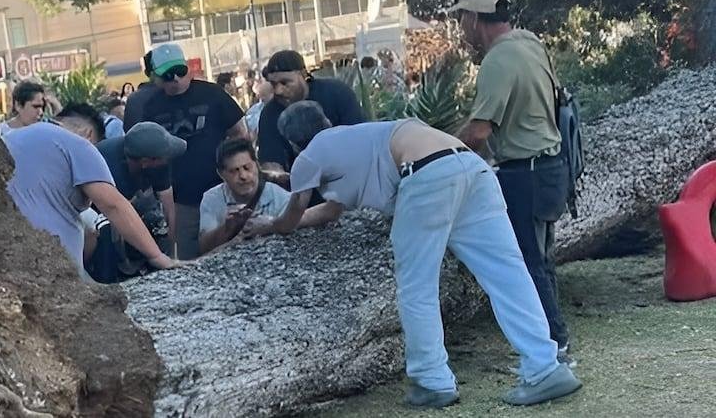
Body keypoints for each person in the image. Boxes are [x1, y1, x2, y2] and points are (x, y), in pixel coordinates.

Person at [246, 101, 582, 408]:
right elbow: (332, 210)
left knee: (417, 287)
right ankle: (544, 367)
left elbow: (291, 217)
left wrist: (267, 225)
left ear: (292, 144)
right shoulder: (357, 137)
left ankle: (432, 380)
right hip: (470, 165)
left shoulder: (308, 157)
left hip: (426, 174)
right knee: (508, 274)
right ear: (328, 119)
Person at [450, 0, 575, 366]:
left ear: (473, 18)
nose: (461, 28)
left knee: (527, 263)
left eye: (461, 19)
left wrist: (436, 150)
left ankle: (551, 346)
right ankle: (555, 340)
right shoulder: (529, 42)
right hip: (552, 167)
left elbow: (478, 132)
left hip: (526, 174)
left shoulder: (497, 61)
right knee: (541, 259)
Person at [4, 117, 181, 279]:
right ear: (88, 133)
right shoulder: (80, 146)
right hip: (55, 251)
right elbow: (113, 206)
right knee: (102, 227)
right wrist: (157, 257)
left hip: (8, 242)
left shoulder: (15, 138)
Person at [138, 43, 248, 259]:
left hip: (221, 190)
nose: (176, 79)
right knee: (188, 258)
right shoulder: (152, 106)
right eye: (168, 76)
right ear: (156, 78)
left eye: (180, 72)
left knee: (234, 249)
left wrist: (235, 171)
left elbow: (241, 134)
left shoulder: (212, 94)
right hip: (182, 200)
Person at [84, 122, 188, 281]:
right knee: (105, 230)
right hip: (92, 205)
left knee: (156, 219)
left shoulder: (159, 161)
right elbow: (115, 211)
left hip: (129, 200)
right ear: (146, 161)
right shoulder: (108, 164)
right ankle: (107, 280)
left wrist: (172, 255)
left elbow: (168, 207)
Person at [258, 50, 365, 176]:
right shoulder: (269, 114)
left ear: (303, 74)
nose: (278, 90)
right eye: (273, 84)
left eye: (285, 83)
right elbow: (271, 166)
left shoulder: (336, 93)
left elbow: (360, 138)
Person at [198, 138, 290, 254]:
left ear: (257, 165)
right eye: (234, 171)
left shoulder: (281, 197)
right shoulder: (211, 199)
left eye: (247, 168)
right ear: (221, 174)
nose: (243, 176)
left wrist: (270, 225)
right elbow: (203, 247)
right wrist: (227, 228)